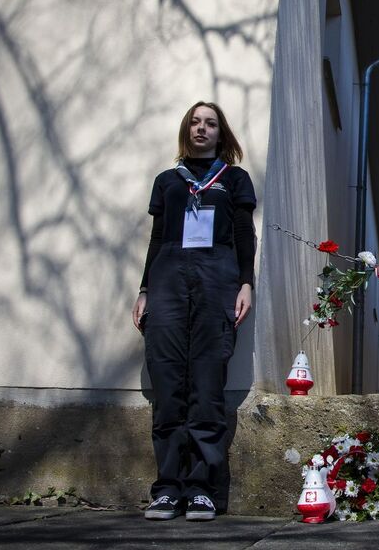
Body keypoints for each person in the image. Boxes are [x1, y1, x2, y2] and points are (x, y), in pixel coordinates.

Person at [132, 101, 256, 521]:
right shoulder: (167, 180)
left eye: (211, 123)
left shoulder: (233, 179)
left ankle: (201, 488)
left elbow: (243, 234)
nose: (202, 128)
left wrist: (245, 283)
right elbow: (155, 237)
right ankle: (167, 488)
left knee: (206, 380)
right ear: (187, 130)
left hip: (217, 277)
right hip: (168, 278)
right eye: (195, 122)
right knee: (168, 380)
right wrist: (146, 288)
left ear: (222, 134)